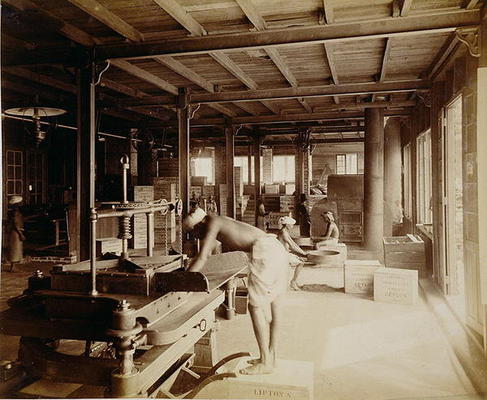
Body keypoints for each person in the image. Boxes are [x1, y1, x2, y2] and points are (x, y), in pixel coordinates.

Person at [183, 208, 289, 375]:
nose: (196, 236)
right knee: (275, 306)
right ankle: (270, 357)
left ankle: (265, 362)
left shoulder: (213, 222)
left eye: (194, 231)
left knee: (255, 307)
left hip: (265, 251)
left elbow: (203, 257)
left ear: (200, 223)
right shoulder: (221, 220)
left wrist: (183, 281)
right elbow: (212, 254)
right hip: (275, 247)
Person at [276, 216, 308, 291]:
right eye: (291, 225)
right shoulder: (283, 233)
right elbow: (292, 246)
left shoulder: (285, 231)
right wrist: (303, 253)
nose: (292, 226)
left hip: (285, 253)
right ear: (287, 225)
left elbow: (294, 243)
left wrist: (303, 252)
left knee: (301, 261)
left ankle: (293, 282)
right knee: (301, 262)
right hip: (281, 254)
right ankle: (293, 282)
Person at [6, 196, 25, 272]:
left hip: (13, 232)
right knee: (15, 250)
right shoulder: (16, 213)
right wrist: (21, 234)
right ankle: (13, 267)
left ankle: (13, 266)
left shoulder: (11, 212)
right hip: (15, 233)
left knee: (14, 249)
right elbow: (16, 224)